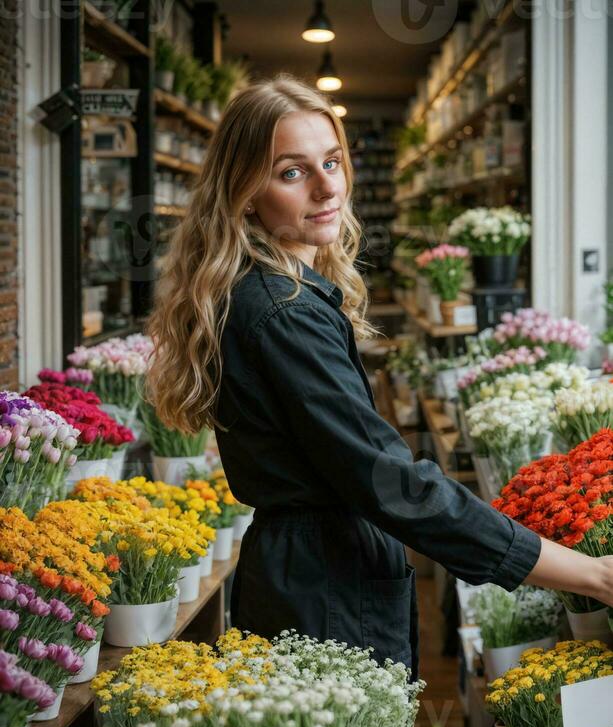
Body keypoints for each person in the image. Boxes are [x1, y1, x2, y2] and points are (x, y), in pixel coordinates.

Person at [147, 74, 613, 679]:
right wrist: (593, 573)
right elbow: (391, 483)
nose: (326, 188)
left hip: (309, 575)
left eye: (332, 162)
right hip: (324, 590)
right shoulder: (284, 312)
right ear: (243, 192)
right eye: (292, 172)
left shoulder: (276, 292)